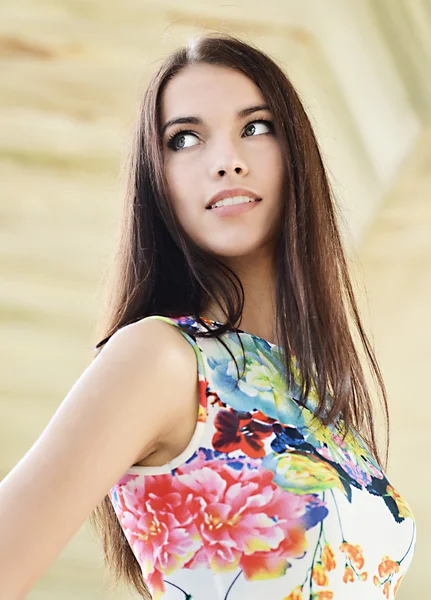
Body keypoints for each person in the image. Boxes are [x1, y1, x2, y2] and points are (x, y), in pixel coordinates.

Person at [0, 32, 416, 600]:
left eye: (255, 127)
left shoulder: (318, 401)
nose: (227, 161)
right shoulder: (159, 358)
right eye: (186, 138)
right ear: (158, 182)